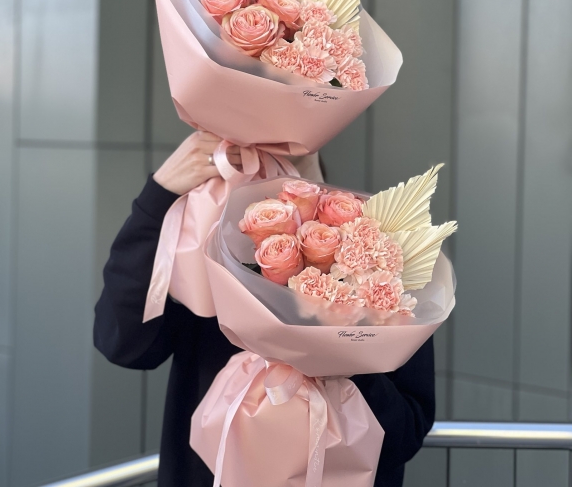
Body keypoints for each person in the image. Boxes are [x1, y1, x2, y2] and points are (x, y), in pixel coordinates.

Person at [94, 130, 435, 487]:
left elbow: (406, 430)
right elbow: (122, 343)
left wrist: (333, 347)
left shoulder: (375, 251)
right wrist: (161, 195)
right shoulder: (205, 247)